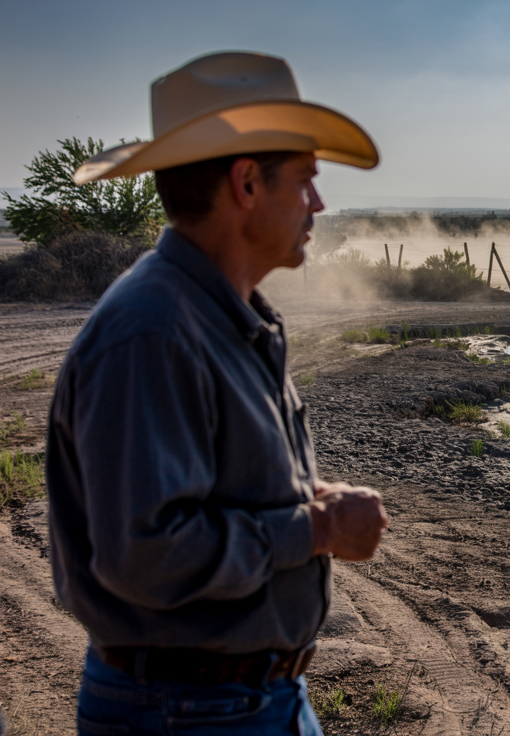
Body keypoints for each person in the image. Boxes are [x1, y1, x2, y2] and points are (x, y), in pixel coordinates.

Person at [46, 51, 389, 735]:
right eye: (305, 180)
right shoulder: (153, 332)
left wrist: (307, 500)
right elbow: (148, 554)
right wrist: (317, 528)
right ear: (247, 183)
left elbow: (212, 491)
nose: (318, 203)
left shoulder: (217, 314)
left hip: (242, 701)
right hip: (190, 712)